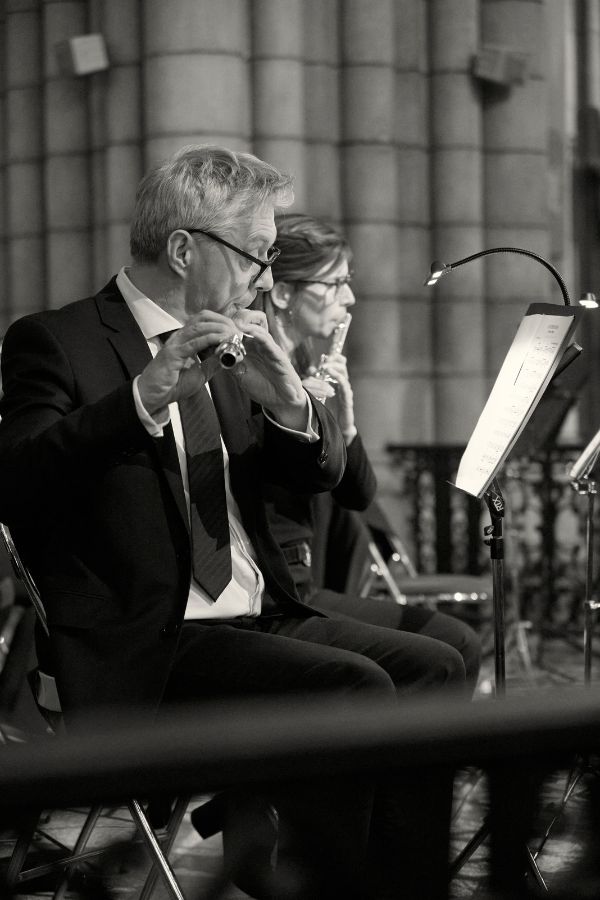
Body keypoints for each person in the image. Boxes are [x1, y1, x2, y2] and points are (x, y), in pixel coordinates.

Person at [0, 145, 463, 900]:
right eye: (257, 253)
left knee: (436, 665)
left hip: (259, 610)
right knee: (352, 689)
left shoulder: (234, 338)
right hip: (148, 640)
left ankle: (397, 885)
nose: (266, 276)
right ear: (185, 249)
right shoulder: (60, 340)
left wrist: (290, 405)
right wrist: (142, 398)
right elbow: (14, 480)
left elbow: (318, 482)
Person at [258, 213, 481, 693]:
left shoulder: (306, 367)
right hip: (278, 590)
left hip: (306, 583)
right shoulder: (256, 371)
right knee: (442, 652)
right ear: (282, 293)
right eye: (335, 283)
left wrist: (346, 422)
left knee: (457, 639)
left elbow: (358, 495)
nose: (349, 298)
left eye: (348, 282)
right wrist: (295, 417)